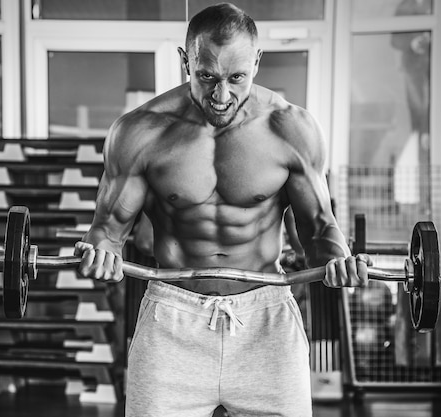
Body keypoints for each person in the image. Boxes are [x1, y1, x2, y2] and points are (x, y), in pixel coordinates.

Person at [74, 3, 370, 416]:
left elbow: (319, 231)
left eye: (237, 78)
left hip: (265, 319)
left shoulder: (291, 129)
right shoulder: (140, 132)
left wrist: (338, 262)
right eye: (206, 77)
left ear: (257, 62)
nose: (221, 95)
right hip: (172, 318)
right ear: (185, 61)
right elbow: (107, 231)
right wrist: (99, 253)